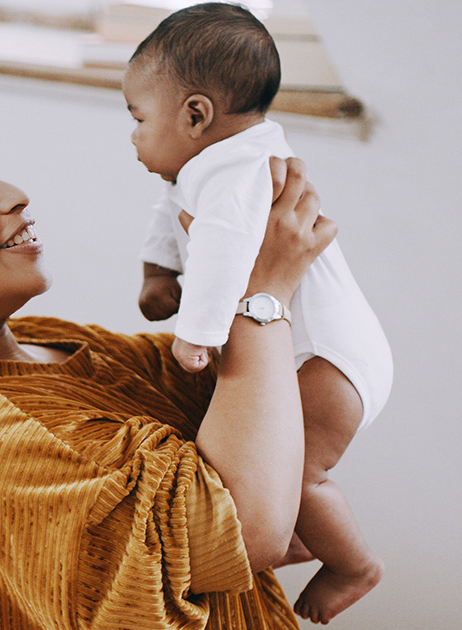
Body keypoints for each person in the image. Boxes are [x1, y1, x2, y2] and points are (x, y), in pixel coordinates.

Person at [0, 116, 333, 629]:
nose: (16, 195)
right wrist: (259, 294)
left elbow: (246, 410)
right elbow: (248, 527)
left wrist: (236, 242)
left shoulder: (48, 342)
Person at [123, 3, 392, 624]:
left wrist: (197, 334)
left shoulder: (242, 170)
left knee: (297, 477)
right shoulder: (206, 167)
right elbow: (170, 215)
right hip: (311, 351)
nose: (133, 136)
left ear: (195, 114)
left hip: (330, 358)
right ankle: (308, 535)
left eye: (138, 118)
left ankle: (355, 565)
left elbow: (220, 255)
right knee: (280, 469)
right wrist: (157, 272)